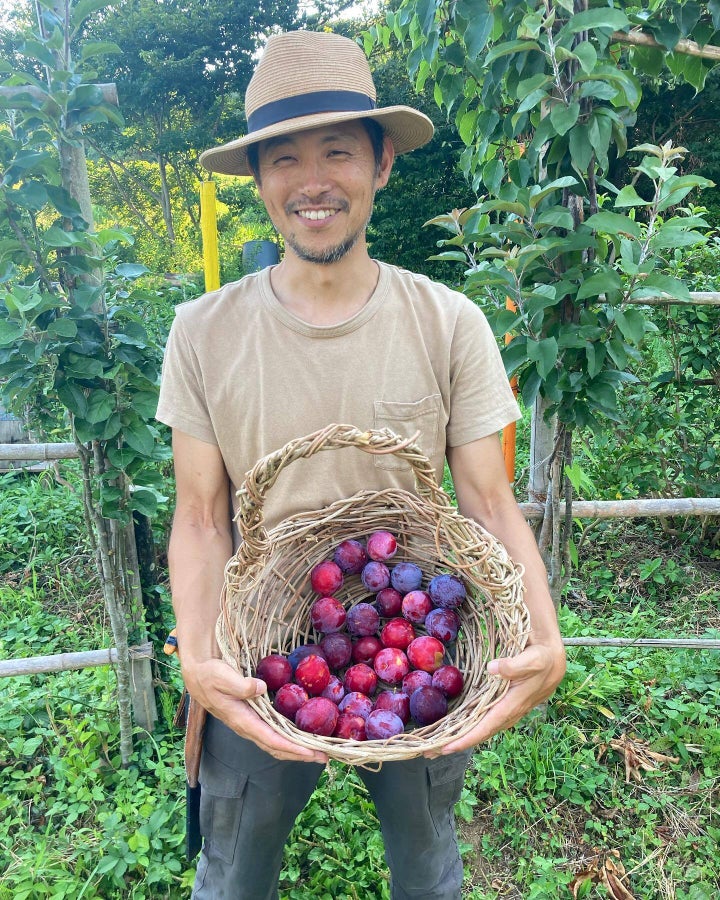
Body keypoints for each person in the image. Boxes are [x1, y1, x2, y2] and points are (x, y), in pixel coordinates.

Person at [156, 29, 566, 900]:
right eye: (285, 158)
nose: (312, 180)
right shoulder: (202, 332)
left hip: (415, 653)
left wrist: (544, 632)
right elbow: (199, 517)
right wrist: (199, 655)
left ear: (381, 163)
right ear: (259, 181)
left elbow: (488, 505)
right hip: (254, 644)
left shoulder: (450, 322)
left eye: (338, 150)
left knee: (428, 870)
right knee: (232, 875)